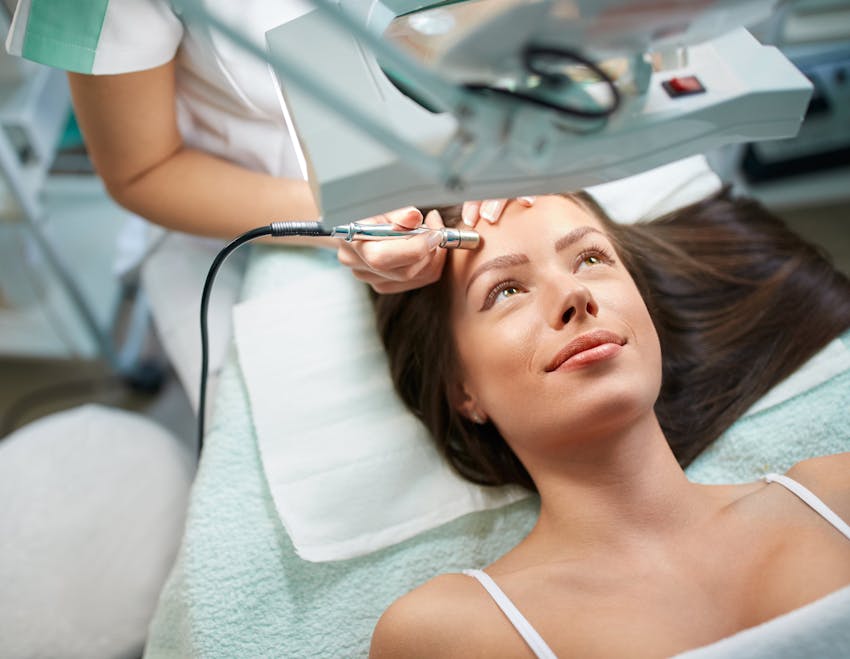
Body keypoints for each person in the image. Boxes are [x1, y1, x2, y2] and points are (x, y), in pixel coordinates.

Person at [368, 191, 850, 657]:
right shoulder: (447, 632)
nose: (574, 294)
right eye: (506, 290)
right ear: (461, 389)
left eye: (591, 259)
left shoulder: (838, 493)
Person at [5, 0, 528, 406]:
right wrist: (346, 210)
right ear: (467, 400)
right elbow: (141, 171)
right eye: (506, 291)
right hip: (243, 193)